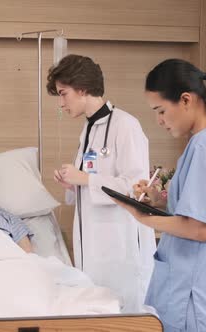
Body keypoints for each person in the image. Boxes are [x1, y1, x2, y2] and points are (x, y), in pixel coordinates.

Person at [113, 59, 206, 331]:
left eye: (160, 110)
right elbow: (202, 210)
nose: (158, 121)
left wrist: (142, 217)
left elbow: (199, 228)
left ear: (185, 100)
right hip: (200, 289)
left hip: (194, 295)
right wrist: (158, 201)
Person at [47, 54, 155, 313]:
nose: (61, 103)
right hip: (93, 244)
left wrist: (84, 179)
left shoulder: (126, 126)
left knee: (130, 314)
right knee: (100, 313)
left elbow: (136, 186)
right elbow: (92, 181)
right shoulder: (88, 129)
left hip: (122, 243)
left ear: (82, 88)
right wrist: (73, 185)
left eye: (64, 94)